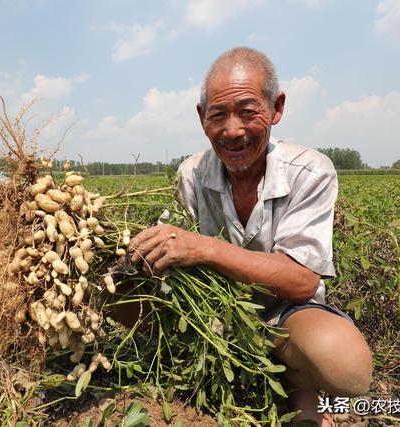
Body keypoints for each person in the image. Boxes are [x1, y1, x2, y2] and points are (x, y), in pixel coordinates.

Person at [129, 47, 372, 426]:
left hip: (286, 313)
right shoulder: (190, 175)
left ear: (276, 108)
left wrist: (205, 247)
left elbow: (301, 279)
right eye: (218, 115)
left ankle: (297, 385)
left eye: (247, 111)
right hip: (210, 313)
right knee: (119, 292)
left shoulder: (309, 171)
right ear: (201, 118)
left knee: (344, 364)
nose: (232, 131)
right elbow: (171, 251)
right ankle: (273, 389)